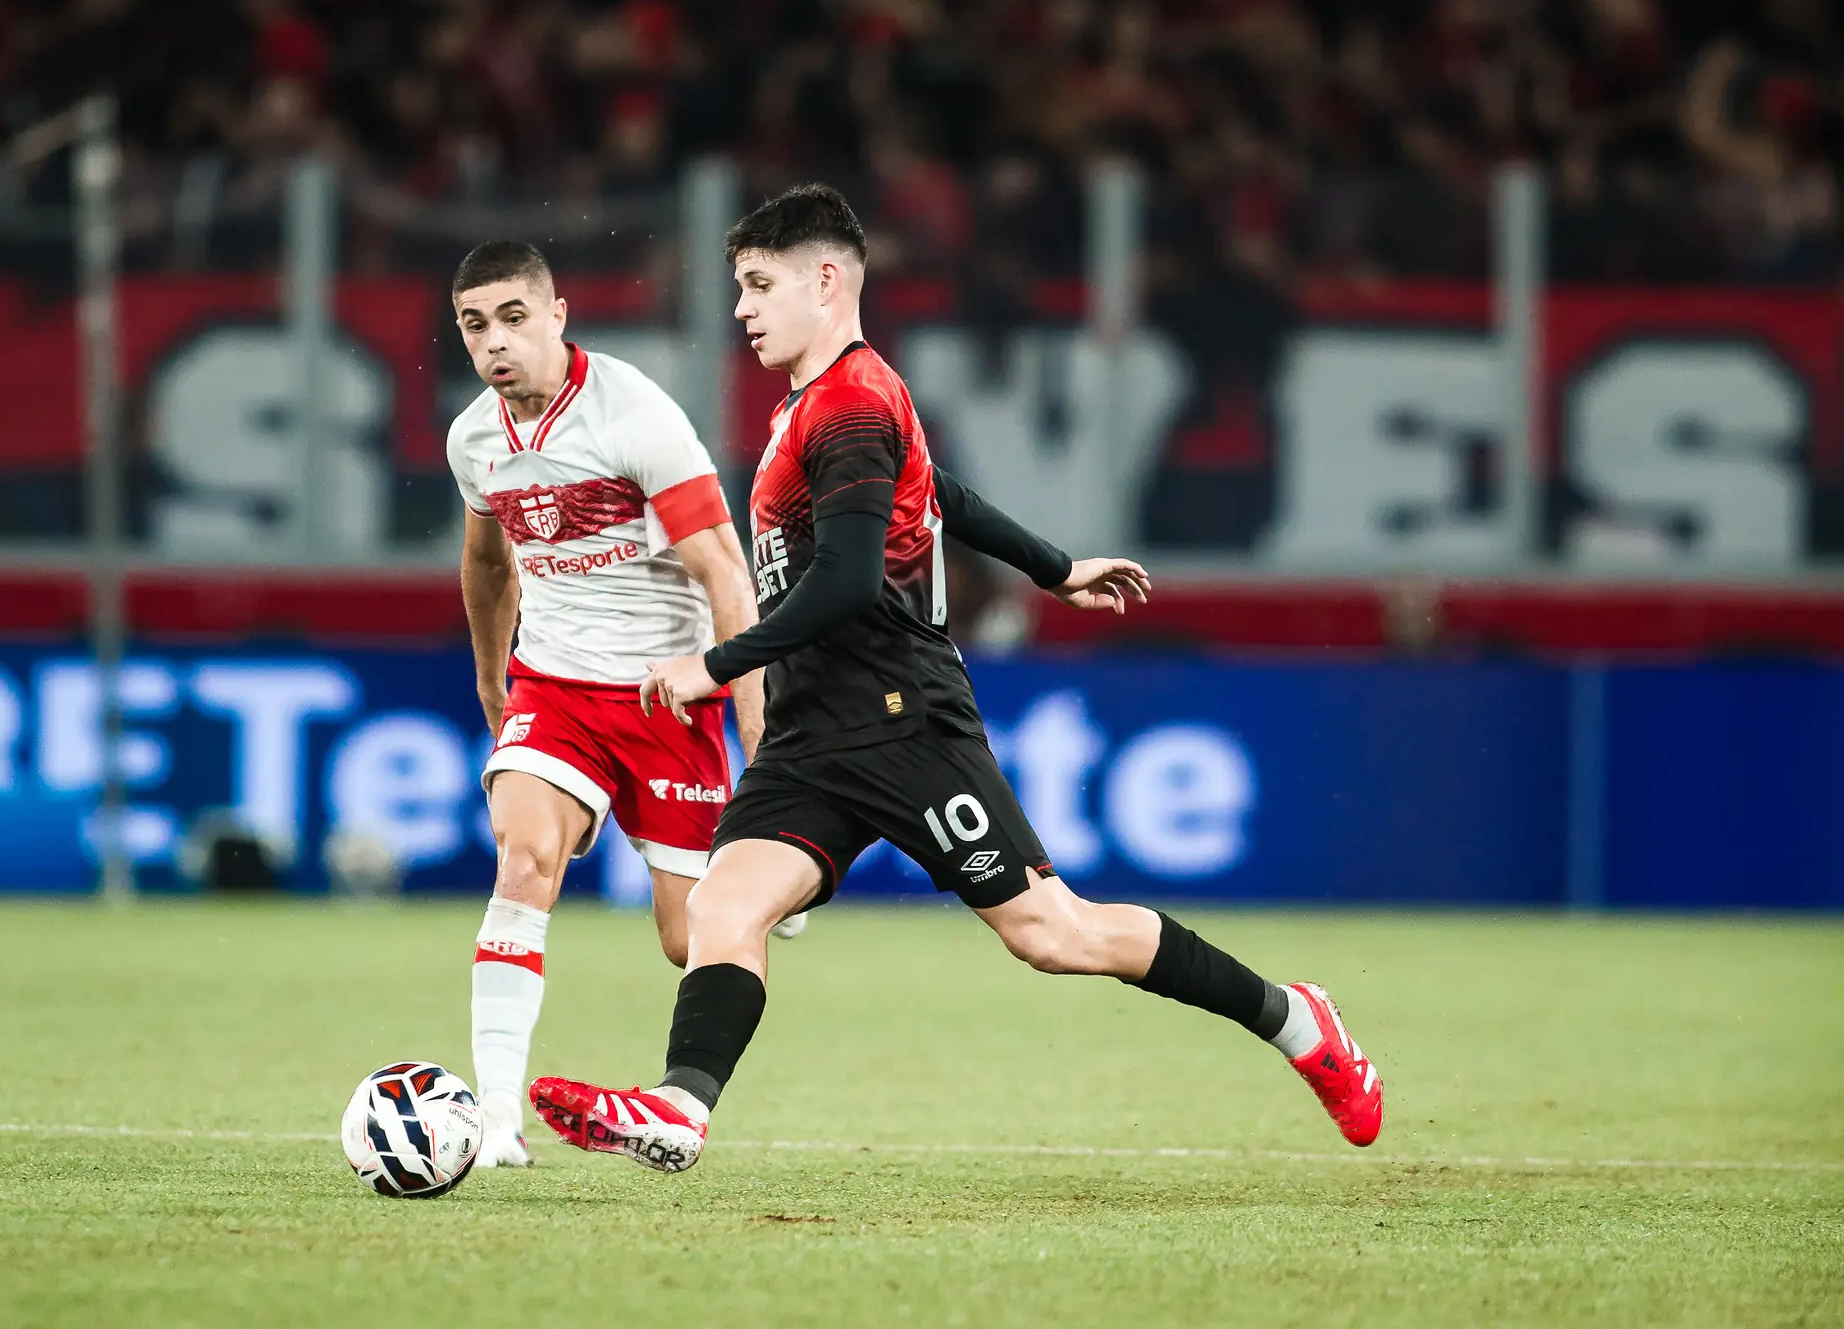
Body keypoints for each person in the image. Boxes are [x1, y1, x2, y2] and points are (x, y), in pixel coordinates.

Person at [526, 187, 1383, 1172]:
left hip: (900, 718)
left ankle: (1297, 1020)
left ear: (826, 281)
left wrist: (714, 664)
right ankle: (680, 1109)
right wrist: (1054, 566)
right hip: (812, 731)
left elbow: (849, 582)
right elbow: (938, 491)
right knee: (722, 908)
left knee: (1054, 934)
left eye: (758, 285)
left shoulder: (850, 404)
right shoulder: (825, 402)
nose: (741, 308)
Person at [444, 240, 801, 1169]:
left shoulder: (633, 415)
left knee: (694, 937)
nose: (495, 342)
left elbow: (724, 572)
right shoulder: (474, 440)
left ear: (557, 315)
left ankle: (779, 880)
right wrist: (492, 678)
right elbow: (487, 563)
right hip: (555, 687)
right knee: (524, 860)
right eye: (475, 325)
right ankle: (494, 1119)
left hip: (667, 695)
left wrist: (756, 726)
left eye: (513, 317)